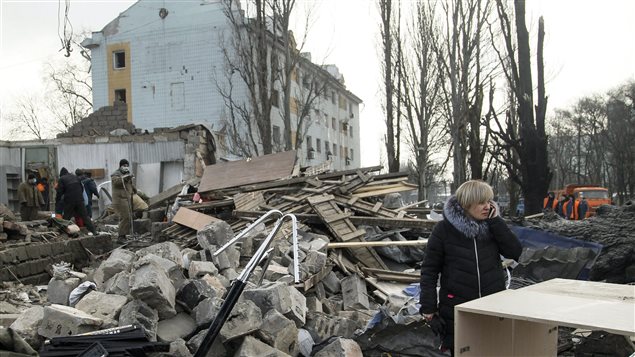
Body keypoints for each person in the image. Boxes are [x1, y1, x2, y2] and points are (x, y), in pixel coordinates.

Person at [419, 180, 522, 354]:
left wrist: (496, 222)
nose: (487, 206)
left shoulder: (492, 226)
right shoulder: (443, 230)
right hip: (456, 307)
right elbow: (429, 270)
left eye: (489, 202)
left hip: (492, 304)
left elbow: (514, 251)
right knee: (462, 351)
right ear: (466, 204)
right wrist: (429, 308)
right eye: (482, 202)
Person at [56, 167, 97, 235]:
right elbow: (81, 188)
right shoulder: (75, 177)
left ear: (61, 174)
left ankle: (62, 232)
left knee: (66, 217)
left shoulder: (62, 179)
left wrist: (57, 202)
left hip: (69, 200)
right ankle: (94, 231)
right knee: (85, 216)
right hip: (80, 200)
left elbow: (59, 192)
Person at [111, 159, 137, 241]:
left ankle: (124, 235)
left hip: (126, 198)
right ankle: (121, 237)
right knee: (125, 217)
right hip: (120, 199)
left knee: (128, 217)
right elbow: (117, 183)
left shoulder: (126, 174)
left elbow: (128, 185)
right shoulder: (116, 174)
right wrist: (125, 178)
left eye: (127, 166)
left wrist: (134, 189)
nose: (126, 167)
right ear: (120, 166)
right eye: (124, 166)